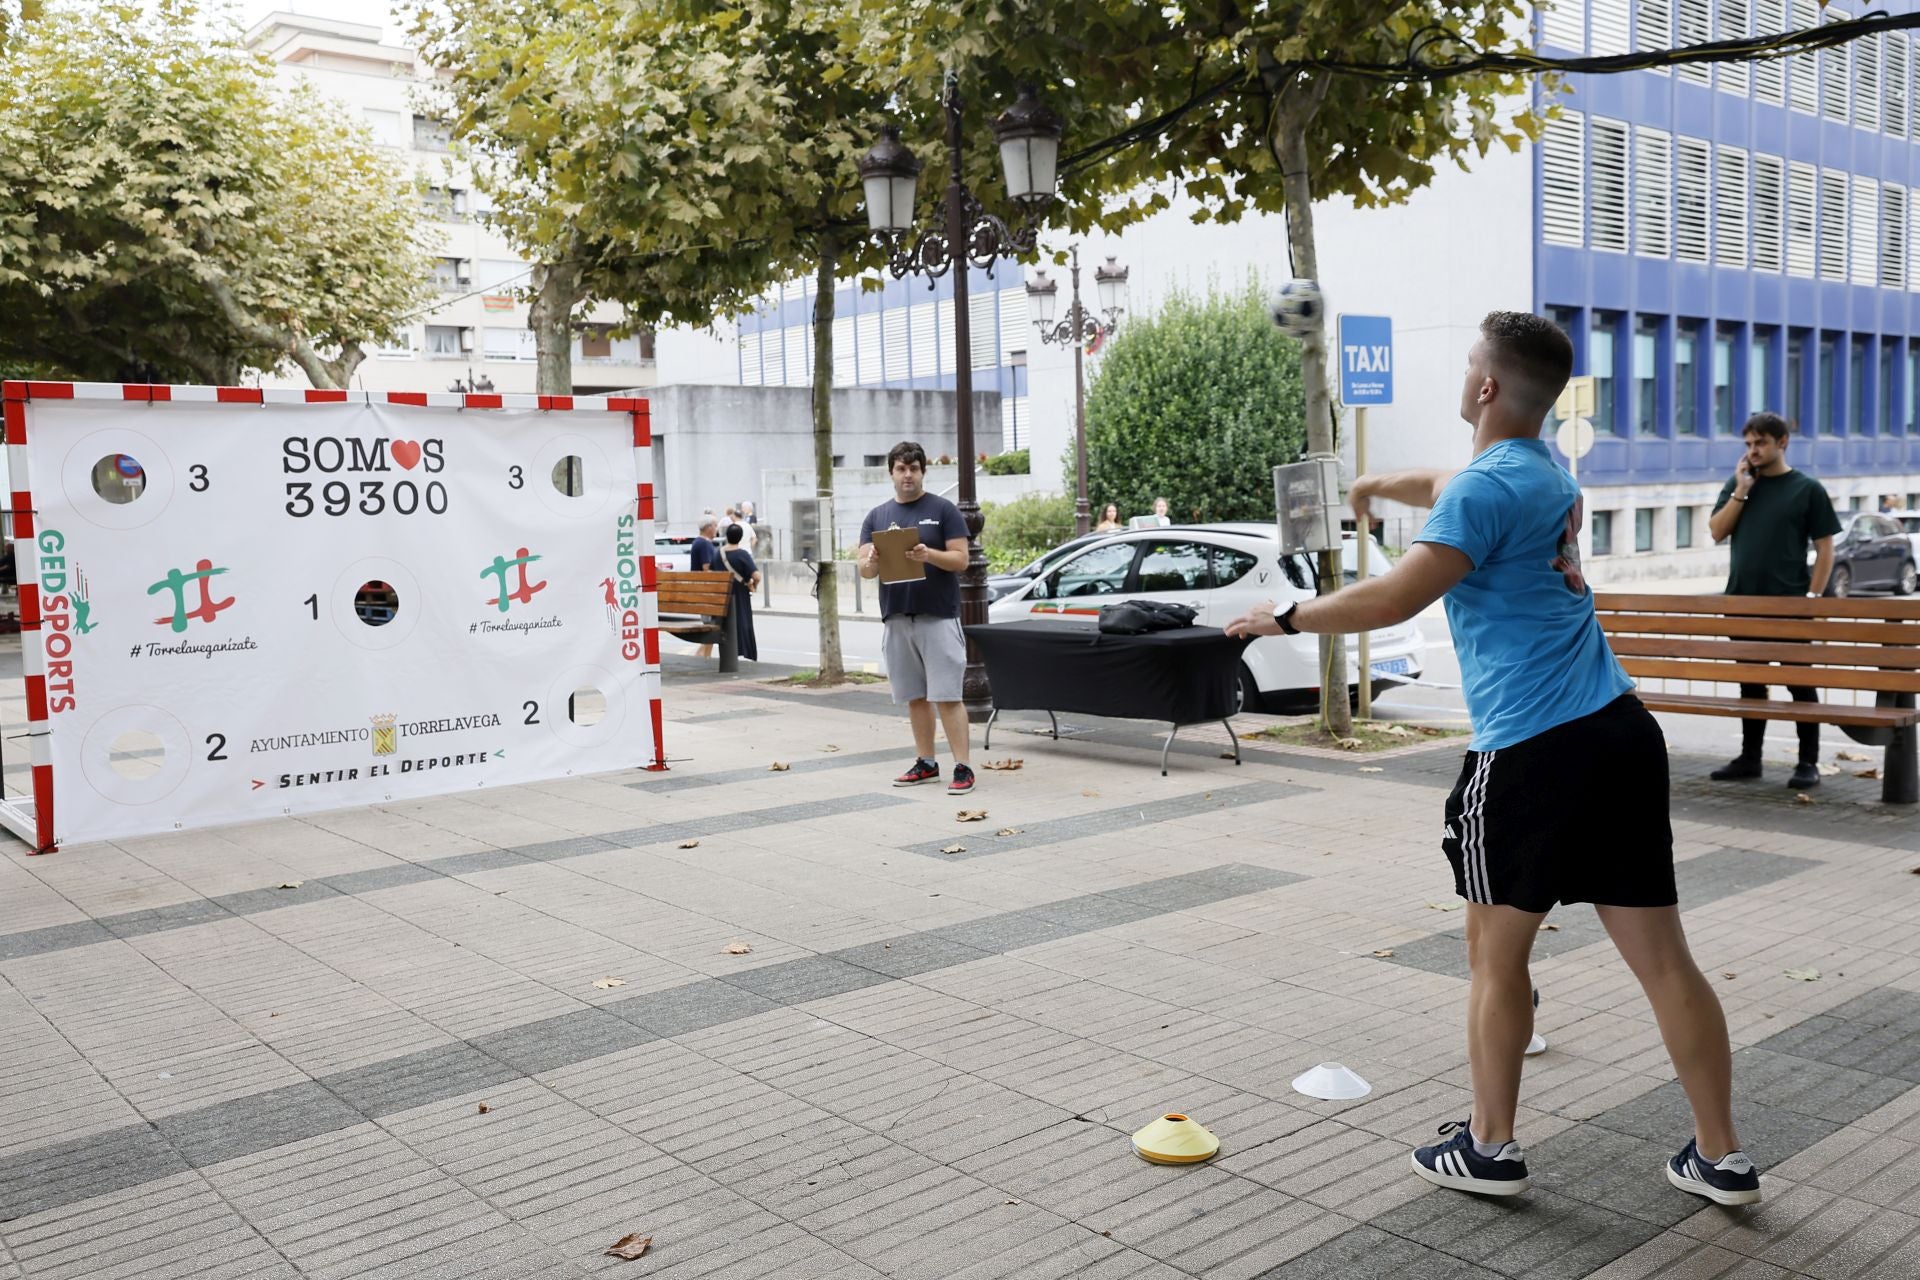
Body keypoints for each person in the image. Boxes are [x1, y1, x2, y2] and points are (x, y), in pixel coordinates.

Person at [1227, 311, 1760, 1208]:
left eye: (1470, 361)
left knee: (1493, 956)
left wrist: (1283, 618)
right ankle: (1723, 1158)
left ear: (1484, 386)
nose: (1464, 371)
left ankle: (1490, 1147)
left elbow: (1396, 598)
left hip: (1530, 751)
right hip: (1620, 733)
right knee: (1667, 961)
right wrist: (1375, 483)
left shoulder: (1481, 491)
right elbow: (1447, 480)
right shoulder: (1547, 473)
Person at [1706, 412, 1840, 790]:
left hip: (1789, 605)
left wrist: (1812, 598)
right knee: (1751, 684)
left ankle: (1807, 762)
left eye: (1761, 443)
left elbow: (1826, 548)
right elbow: (1717, 531)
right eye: (1749, 444)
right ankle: (1750, 759)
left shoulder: (1807, 489)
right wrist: (1741, 489)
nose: (1753, 450)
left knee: (1799, 684)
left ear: (1782, 442)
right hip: (1742, 603)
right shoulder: (1740, 484)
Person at [858, 440, 975, 795]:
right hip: (897, 617)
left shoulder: (943, 510)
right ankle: (926, 763)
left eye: (913, 468)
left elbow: (961, 560)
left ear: (923, 472)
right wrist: (872, 560)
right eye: (901, 469)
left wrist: (929, 555)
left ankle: (963, 767)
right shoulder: (877, 516)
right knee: (915, 697)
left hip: (937, 616)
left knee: (948, 695)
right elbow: (865, 570)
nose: (907, 475)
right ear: (891, 473)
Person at [714, 523, 760, 662]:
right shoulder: (742, 554)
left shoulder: (718, 554)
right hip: (740, 595)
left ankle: (729, 653)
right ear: (740, 538)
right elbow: (757, 576)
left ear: (727, 536)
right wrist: (753, 586)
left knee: (727, 625)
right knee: (743, 622)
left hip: (723, 597)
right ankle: (746, 652)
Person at [691, 518, 721, 658]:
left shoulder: (697, 542)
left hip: (700, 589)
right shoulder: (705, 544)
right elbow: (707, 568)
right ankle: (701, 656)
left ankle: (705, 656)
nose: (716, 528)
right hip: (706, 591)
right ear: (708, 527)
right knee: (711, 626)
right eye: (715, 525)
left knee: (711, 626)